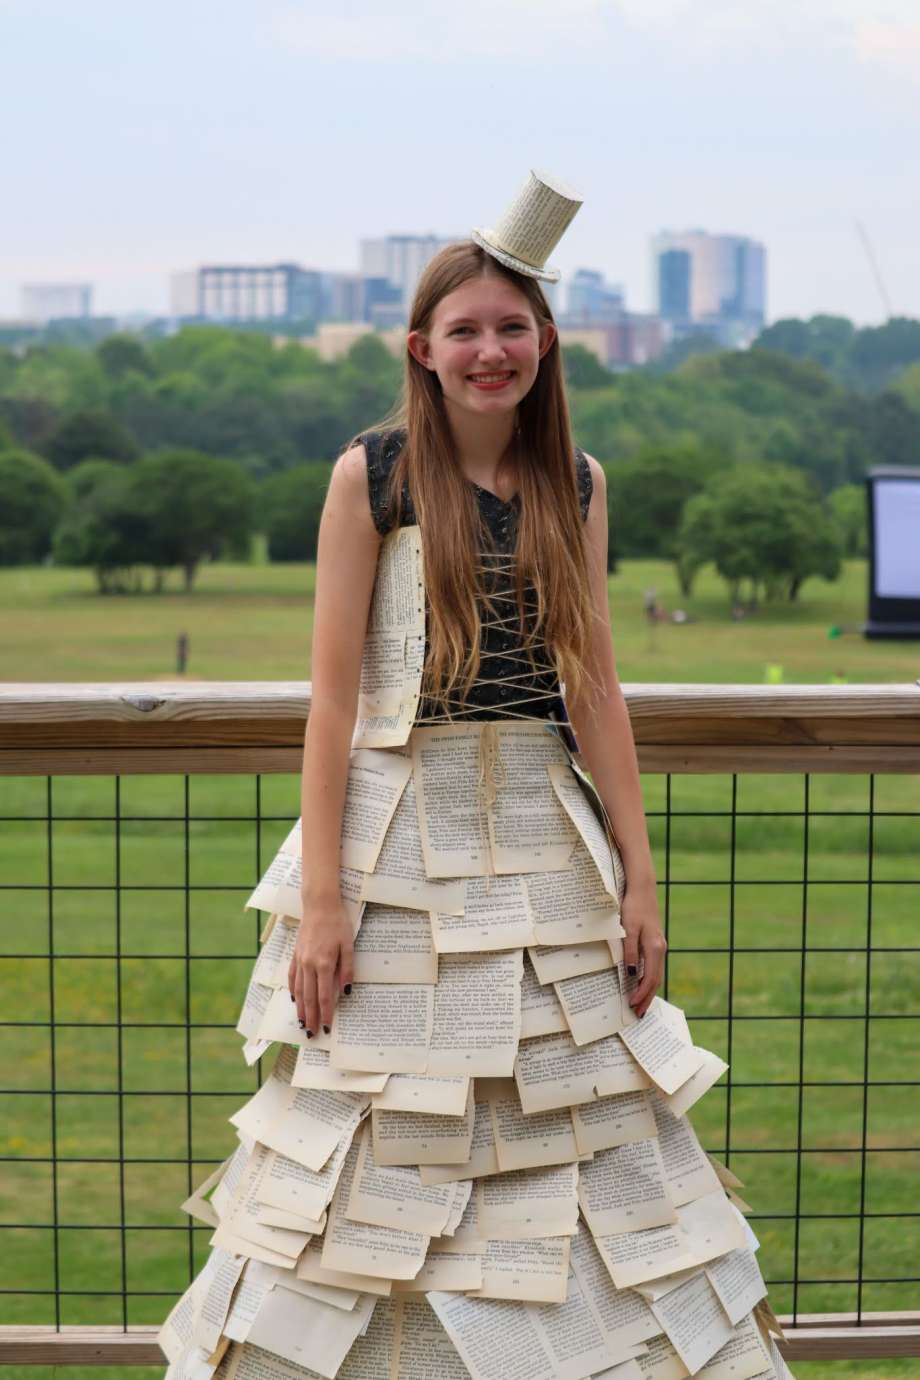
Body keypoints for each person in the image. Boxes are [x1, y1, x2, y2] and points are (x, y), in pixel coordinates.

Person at [160, 174, 793, 1380]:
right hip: (399, 834)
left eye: (512, 328)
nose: (490, 350)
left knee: (568, 1114)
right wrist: (328, 903)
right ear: (422, 348)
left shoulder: (579, 482)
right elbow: (335, 699)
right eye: (465, 330)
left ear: (546, 345)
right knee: (382, 1126)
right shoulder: (375, 476)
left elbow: (592, 688)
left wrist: (639, 883)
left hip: (548, 841)